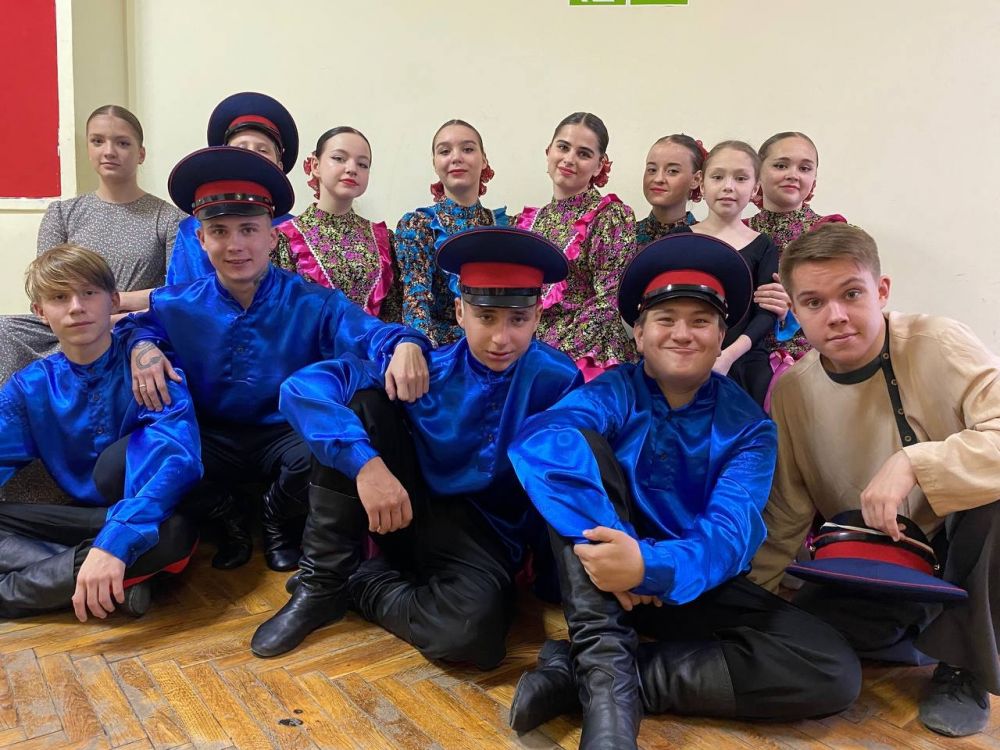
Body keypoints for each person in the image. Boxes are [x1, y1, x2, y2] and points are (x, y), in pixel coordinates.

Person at [507, 233, 860, 749]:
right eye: (666, 319)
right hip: (598, 582)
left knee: (832, 668)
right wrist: (621, 551)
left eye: (700, 321)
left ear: (721, 336)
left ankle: (588, 677)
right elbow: (538, 441)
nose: (682, 334)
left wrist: (649, 566)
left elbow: (730, 535)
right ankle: (607, 693)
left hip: (687, 579)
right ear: (639, 334)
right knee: (574, 445)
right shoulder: (615, 390)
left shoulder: (749, 428)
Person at [250, 227, 582, 663]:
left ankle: (360, 584)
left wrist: (553, 582)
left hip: (489, 539)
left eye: (517, 320)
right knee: (361, 405)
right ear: (460, 312)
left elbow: (566, 482)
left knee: (471, 640)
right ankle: (322, 584)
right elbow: (301, 389)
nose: (501, 338)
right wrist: (366, 466)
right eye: (486, 317)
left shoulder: (558, 380)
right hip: (405, 509)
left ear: (538, 315)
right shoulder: (429, 369)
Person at [122, 146, 430, 574]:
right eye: (220, 231)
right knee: (132, 458)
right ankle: (225, 516)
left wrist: (407, 344)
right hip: (211, 435)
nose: (235, 246)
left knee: (329, 448)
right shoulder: (179, 301)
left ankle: (276, 517)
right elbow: (136, 325)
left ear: (272, 237)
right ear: (202, 239)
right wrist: (142, 346)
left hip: (284, 434)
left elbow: (372, 333)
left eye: (249, 230)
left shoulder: (312, 302)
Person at [749, 223, 1000, 738]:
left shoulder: (938, 341)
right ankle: (928, 629)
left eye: (851, 294)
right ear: (794, 311)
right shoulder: (794, 391)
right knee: (815, 632)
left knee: (993, 503)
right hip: (880, 559)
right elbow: (787, 511)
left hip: (959, 546)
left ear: (881, 291)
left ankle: (965, 667)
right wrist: (753, 601)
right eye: (814, 302)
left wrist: (914, 462)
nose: (836, 316)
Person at [0, 244, 201, 621]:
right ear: (40, 312)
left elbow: (177, 463)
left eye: (89, 293)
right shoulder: (29, 387)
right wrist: (106, 546)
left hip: (148, 513)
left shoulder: (153, 370)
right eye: (59, 297)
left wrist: (116, 540)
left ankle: (15, 592)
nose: (76, 307)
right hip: (82, 520)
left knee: (175, 534)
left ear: (113, 301)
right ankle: (111, 578)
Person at [1, 104, 182, 384]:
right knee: (5, 330)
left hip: (132, 323)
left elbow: (178, 294)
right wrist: (85, 308)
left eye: (122, 143)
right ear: (88, 148)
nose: (109, 151)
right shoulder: (62, 213)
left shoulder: (169, 218)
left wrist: (111, 305)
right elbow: (46, 287)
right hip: (70, 322)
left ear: (141, 153)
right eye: (98, 141)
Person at [515, 112, 637, 381]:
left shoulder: (610, 216)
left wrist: (547, 350)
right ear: (548, 151)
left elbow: (610, 300)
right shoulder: (529, 221)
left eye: (583, 153)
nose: (569, 159)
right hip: (526, 346)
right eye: (563, 147)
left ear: (599, 166)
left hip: (588, 353)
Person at [747, 132, 847, 406]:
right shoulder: (738, 232)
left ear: (814, 179)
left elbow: (846, 305)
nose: (793, 175)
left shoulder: (831, 233)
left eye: (804, 168)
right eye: (781, 165)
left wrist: (794, 308)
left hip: (815, 365)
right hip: (742, 364)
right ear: (758, 172)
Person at [165, 92, 298, 286]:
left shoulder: (294, 230)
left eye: (262, 150)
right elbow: (180, 293)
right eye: (241, 148)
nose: (251, 156)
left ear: (279, 166)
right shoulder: (191, 228)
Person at [396, 119, 507, 345]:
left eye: (467, 149)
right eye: (445, 151)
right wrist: (418, 348)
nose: (456, 157)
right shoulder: (418, 225)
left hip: (501, 345)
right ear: (435, 163)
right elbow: (416, 302)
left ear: (484, 160)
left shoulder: (504, 227)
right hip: (440, 350)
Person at [273, 126, 401, 321]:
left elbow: (393, 314)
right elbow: (278, 314)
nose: (352, 169)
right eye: (339, 158)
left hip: (374, 340)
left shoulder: (382, 238)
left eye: (362, 164)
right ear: (315, 166)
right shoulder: (285, 237)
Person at [689, 141, 781, 406]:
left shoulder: (763, 246)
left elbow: (766, 313)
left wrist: (728, 356)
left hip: (745, 361)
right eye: (718, 177)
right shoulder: (680, 239)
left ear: (755, 188)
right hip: (688, 354)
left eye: (740, 178)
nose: (728, 186)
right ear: (701, 183)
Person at [636, 134, 705, 246]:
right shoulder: (624, 238)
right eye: (652, 170)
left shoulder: (706, 242)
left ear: (696, 179)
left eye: (672, 171)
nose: (658, 179)